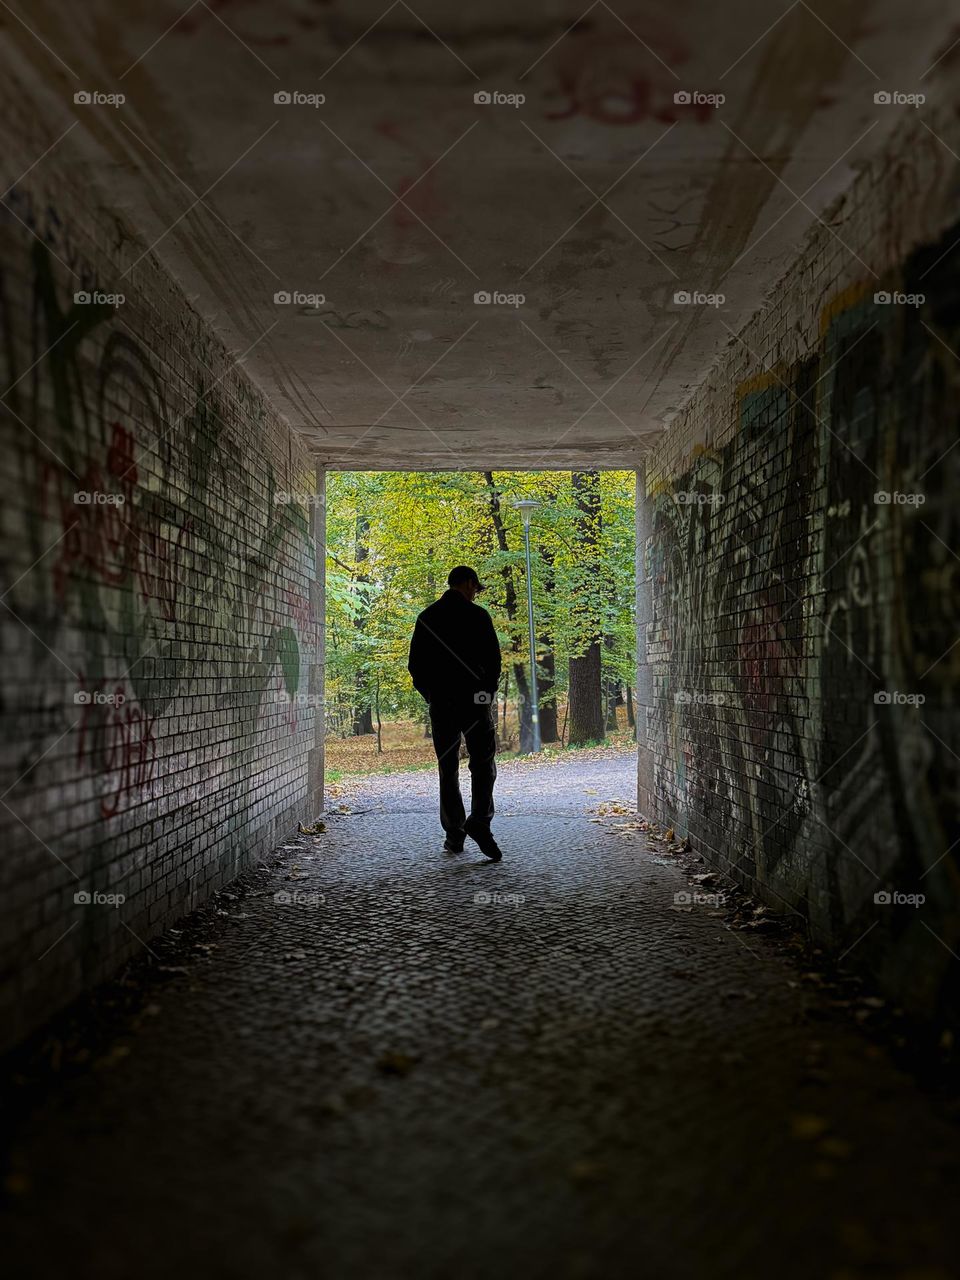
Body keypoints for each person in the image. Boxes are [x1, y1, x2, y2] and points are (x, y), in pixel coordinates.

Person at [407, 565, 503, 860]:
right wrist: (484, 696)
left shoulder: (427, 617)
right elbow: (494, 662)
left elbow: (416, 667)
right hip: (475, 704)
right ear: (467, 583)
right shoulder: (478, 616)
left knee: (447, 768)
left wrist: (433, 696)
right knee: (483, 764)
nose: (476, 593)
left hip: (443, 706)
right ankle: (480, 823)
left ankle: (454, 834)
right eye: (475, 587)